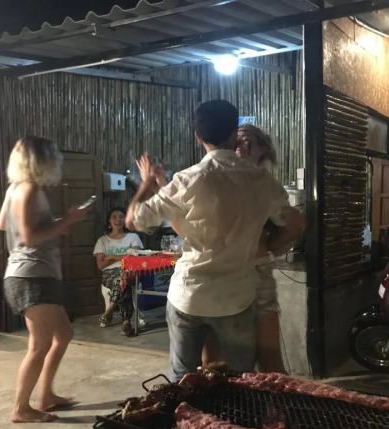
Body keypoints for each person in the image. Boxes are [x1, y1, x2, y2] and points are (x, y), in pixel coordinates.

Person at [126, 99, 304, 382]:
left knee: (185, 379)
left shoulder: (190, 179)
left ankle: (187, 407)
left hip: (193, 294)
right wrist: (269, 248)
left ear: (198, 137)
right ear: (233, 133)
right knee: (236, 379)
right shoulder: (260, 182)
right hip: (235, 297)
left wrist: (148, 182)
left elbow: (134, 220)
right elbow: (294, 223)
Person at [0, 136, 88, 423]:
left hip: (33, 273)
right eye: (54, 157)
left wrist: (53, 224)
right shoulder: (29, 190)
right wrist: (66, 221)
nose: (58, 162)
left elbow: (3, 224)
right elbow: (29, 236)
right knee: (39, 345)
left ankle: (46, 395)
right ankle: (21, 408)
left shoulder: (15, 189)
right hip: (31, 276)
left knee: (64, 334)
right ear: (41, 161)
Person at [201, 124, 297, 373]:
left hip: (255, 273)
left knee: (269, 357)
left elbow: (295, 224)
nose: (240, 145)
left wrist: (269, 249)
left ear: (263, 149)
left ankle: (272, 400)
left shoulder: (263, 184)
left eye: (247, 140)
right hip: (219, 274)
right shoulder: (216, 177)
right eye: (236, 140)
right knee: (213, 360)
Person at [94, 208, 143, 336]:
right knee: (122, 280)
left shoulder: (133, 237)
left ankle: (111, 308)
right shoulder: (103, 241)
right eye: (114, 217)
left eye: (121, 216)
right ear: (109, 221)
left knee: (124, 277)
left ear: (125, 220)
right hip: (109, 274)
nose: (118, 220)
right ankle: (126, 322)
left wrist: (111, 257)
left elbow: (135, 259)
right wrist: (124, 257)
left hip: (129, 271)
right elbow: (100, 264)